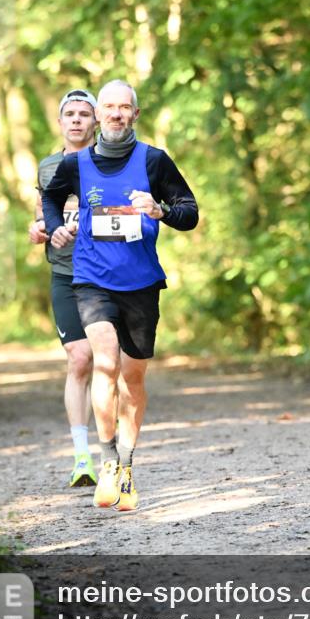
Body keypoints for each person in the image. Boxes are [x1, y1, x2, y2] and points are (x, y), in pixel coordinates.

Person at [42, 79, 198, 512]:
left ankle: (126, 466)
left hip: (142, 284)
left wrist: (160, 209)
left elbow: (190, 212)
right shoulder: (77, 165)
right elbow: (51, 197)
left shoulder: (154, 161)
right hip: (91, 279)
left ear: (134, 114)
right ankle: (106, 459)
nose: (114, 114)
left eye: (122, 107)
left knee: (133, 379)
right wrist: (56, 226)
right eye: (107, 107)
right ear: (98, 115)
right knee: (104, 362)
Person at [29, 89, 99, 488]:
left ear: (95, 122)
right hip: (64, 273)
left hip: (106, 274)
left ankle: (114, 451)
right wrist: (37, 229)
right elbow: (41, 215)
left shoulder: (108, 162)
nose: (76, 120)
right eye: (69, 114)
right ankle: (81, 457)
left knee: (110, 364)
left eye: (83, 114)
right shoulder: (48, 166)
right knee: (79, 358)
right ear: (59, 122)